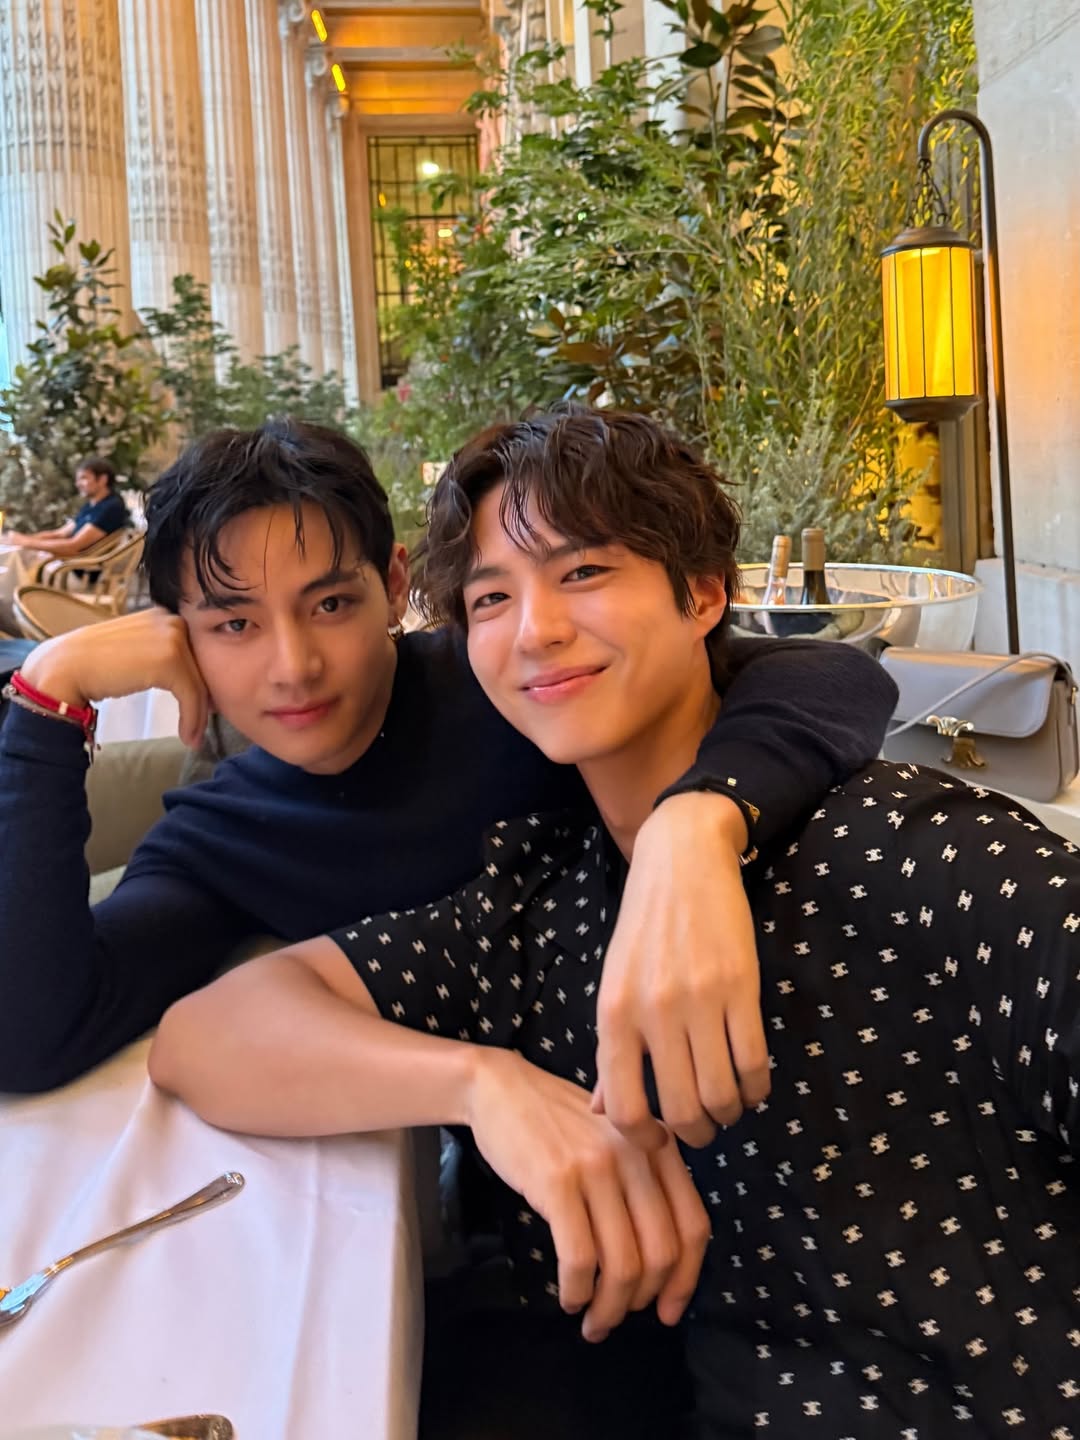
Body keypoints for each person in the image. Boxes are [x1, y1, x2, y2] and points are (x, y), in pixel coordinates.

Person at [151, 409, 1080, 1438]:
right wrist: (487, 1087)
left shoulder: (912, 856)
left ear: (705, 596)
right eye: (492, 598)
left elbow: (840, 682)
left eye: (584, 572)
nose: (536, 629)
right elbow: (207, 1037)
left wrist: (696, 829)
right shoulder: (544, 909)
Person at [0, 417, 896, 1132]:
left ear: (395, 586)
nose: (293, 668)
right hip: (526, 1164)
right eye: (235, 625)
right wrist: (47, 702)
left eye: (331, 604)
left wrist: (690, 826)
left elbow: (832, 674)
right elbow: (35, 1038)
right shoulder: (221, 838)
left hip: (795, 1063)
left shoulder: (513, 675)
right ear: (179, 637)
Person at [3, 455, 129, 558]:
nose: (78, 484)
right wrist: (22, 539)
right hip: (67, 563)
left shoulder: (111, 507)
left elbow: (73, 546)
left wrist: (26, 542)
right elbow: (59, 534)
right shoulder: (92, 505)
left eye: (83, 478)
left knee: (18, 562)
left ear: (102, 479)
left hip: (77, 570)